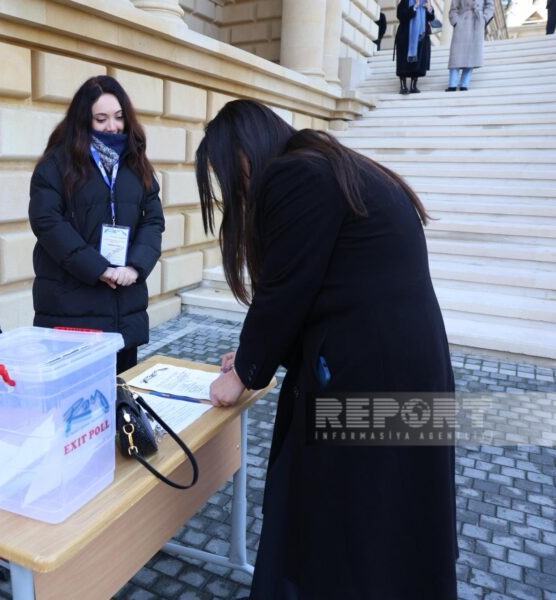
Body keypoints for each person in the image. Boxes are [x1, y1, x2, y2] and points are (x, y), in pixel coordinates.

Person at [195, 100, 457, 599]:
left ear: (247, 152)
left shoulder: (295, 174)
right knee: (390, 521)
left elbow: (285, 293)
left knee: (338, 523)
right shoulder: (327, 165)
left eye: (232, 173)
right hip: (403, 367)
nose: (238, 189)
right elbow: (320, 288)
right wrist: (252, 359)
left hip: (369, 377)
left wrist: (242, 375)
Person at [29, 76, 164, 373]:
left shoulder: (136, 163)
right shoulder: (56, 165)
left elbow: (153, 220)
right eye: (101, 119)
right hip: (72, 313)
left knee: (119, 403)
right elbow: (47, 222)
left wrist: (135, 267)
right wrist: (97, 268)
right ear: (82, 120)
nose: (112, 127)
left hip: (124, 310)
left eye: (118, 118)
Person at [446, 0, 495, 91]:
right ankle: (452, 84)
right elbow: (453, 8)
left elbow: (490, 6)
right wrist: (456, 22)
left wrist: (484, 19)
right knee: (455, 55)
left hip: (477, 22)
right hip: (462, 21)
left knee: (471, 55)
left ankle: (464, 84)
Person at [395, 0, 436, 94]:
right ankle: (403, 86)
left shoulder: (426, 2)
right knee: (403, 63)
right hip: (406, 38)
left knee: (418, 62)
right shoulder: (405, 2)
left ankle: (413, 86)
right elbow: (400, 16)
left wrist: (429, 8)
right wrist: (415, 6)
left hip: (421, 38)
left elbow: (431, 17)